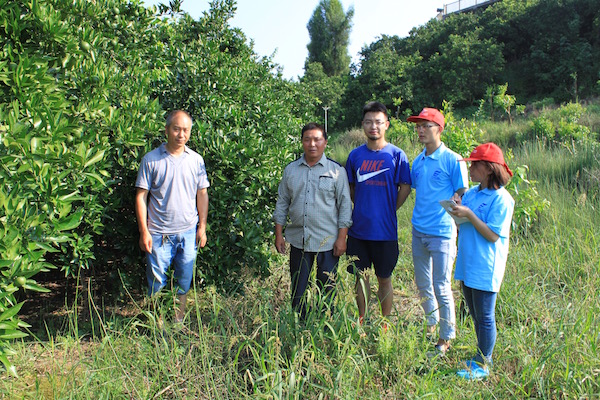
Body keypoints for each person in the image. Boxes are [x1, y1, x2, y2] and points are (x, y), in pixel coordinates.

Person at [135, 110, 209, 323]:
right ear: (167, 130)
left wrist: (201, 228)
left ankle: (178, 322)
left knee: (184, 280)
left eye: (185, 130)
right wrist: (144, 232)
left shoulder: (196, 160)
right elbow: (141, 197)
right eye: (176, 129)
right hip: (158, 233)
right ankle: (157, 324)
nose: (181, 134)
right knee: (156, 282)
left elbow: (202, 194)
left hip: (187, 232)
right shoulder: (151, 160)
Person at [273, 122, 352, 319]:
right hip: (299, 240)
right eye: (307, 139)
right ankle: (300, 325)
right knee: (298, 288)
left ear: (325, 142)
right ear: (302, 142)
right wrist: (279, 234)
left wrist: (342, 238)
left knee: (327, 288)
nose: (312, 144)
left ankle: (325, 325)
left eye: (317, 139)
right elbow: (282, 203)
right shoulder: (291, 170)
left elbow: (344, 206)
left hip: (328, 241)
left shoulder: (336, 171)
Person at [450, 142, 514, 380]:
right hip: (468, 260)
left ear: (488, 168)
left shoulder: (502, 199)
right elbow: (463, 224)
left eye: (474, 165)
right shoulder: (473, 193)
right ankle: (480, 356)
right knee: (475, 314)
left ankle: (484, 364)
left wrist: (469, 214)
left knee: (486, 316)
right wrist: (458, 210)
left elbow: (492, 234)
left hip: (486, 264)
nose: (471, 169)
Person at [407, 107, 468, 354]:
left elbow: (463, 190)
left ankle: (446, 337)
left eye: (426, 126)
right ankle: (431, 323)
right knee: (422, 284)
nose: (420, 131)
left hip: (442, 232)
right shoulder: (418, 160)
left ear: (439, 129)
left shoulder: (452, 159)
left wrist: (456, 197)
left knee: (441, 285)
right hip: (418, 229)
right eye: (418, 127)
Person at [345, 102, 412, 324]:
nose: (373, 126)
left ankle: (385, 323)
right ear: (363, 125)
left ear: (386, 125)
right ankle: (362, 320)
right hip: (359, 231)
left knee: (384, 278)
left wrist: (390, 208)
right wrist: (362, 205)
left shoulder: (397, 155)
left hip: (386, 232)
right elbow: (351, 187)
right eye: (368, 122)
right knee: (360, 279)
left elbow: (405, 186)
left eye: (378, 122)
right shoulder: (355, 156)